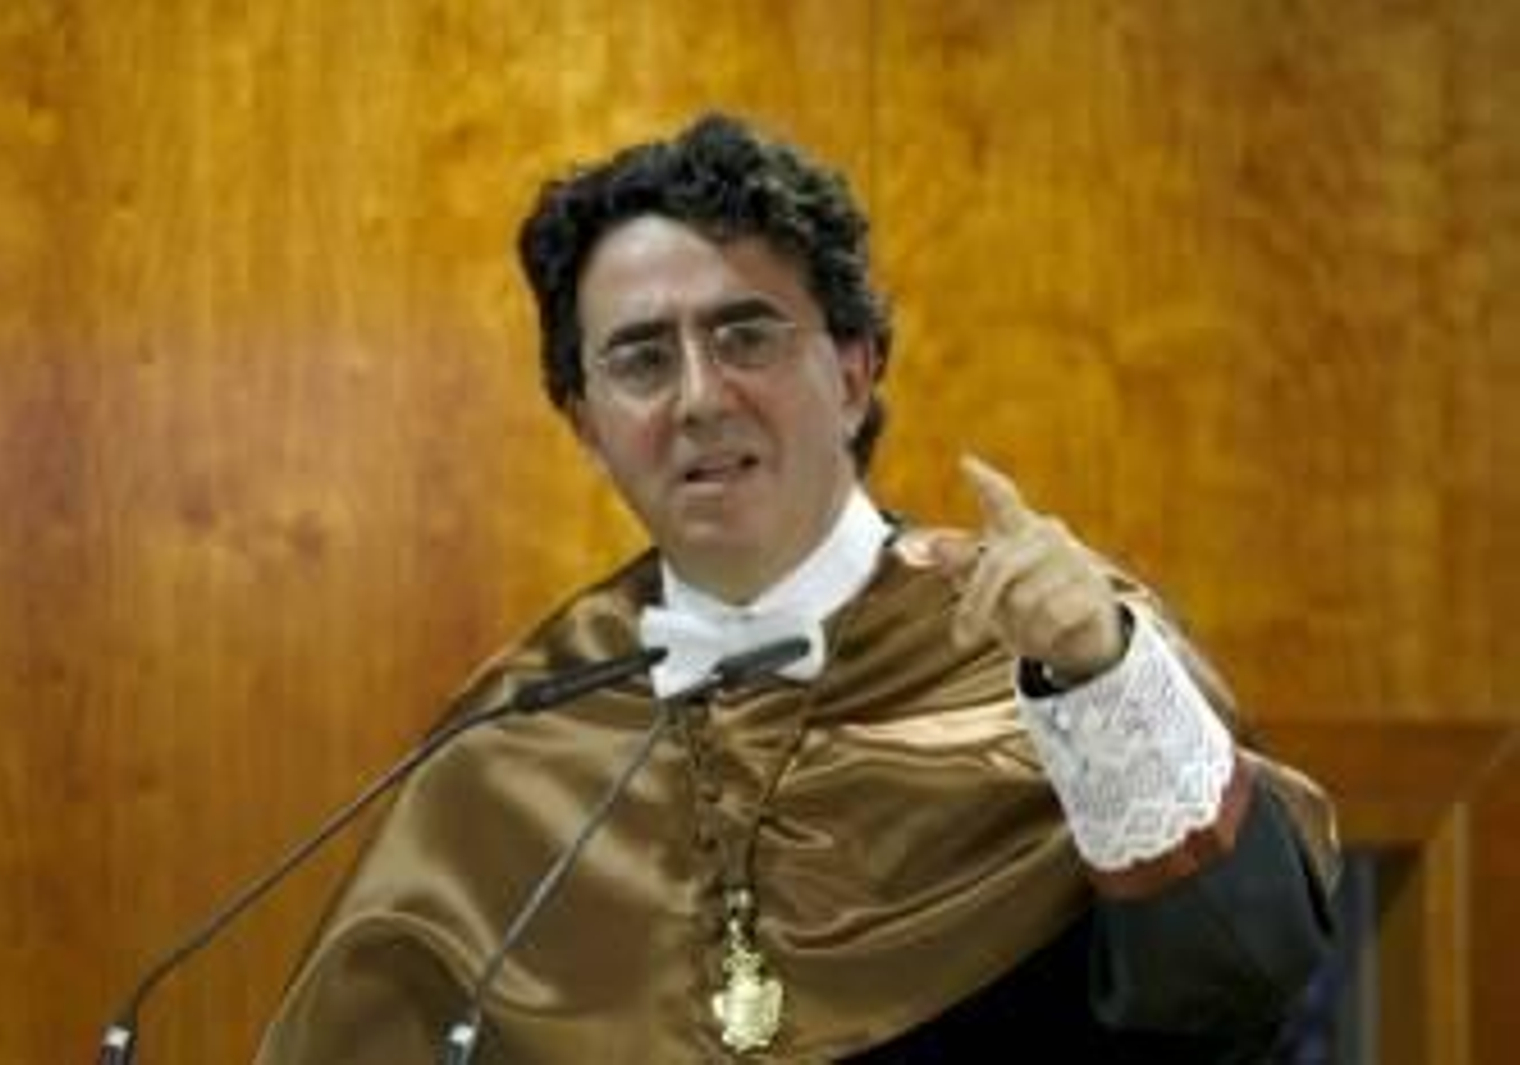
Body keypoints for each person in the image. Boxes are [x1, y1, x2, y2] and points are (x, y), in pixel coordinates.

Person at [257, 113, 1339, 1064]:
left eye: (745, 336)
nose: (698, 398)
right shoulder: (514, 738)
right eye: (640, 358)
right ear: (585, 425)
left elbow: (1242, 990)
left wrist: (1098, 675)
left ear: (856, 371)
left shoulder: (1056, 643)